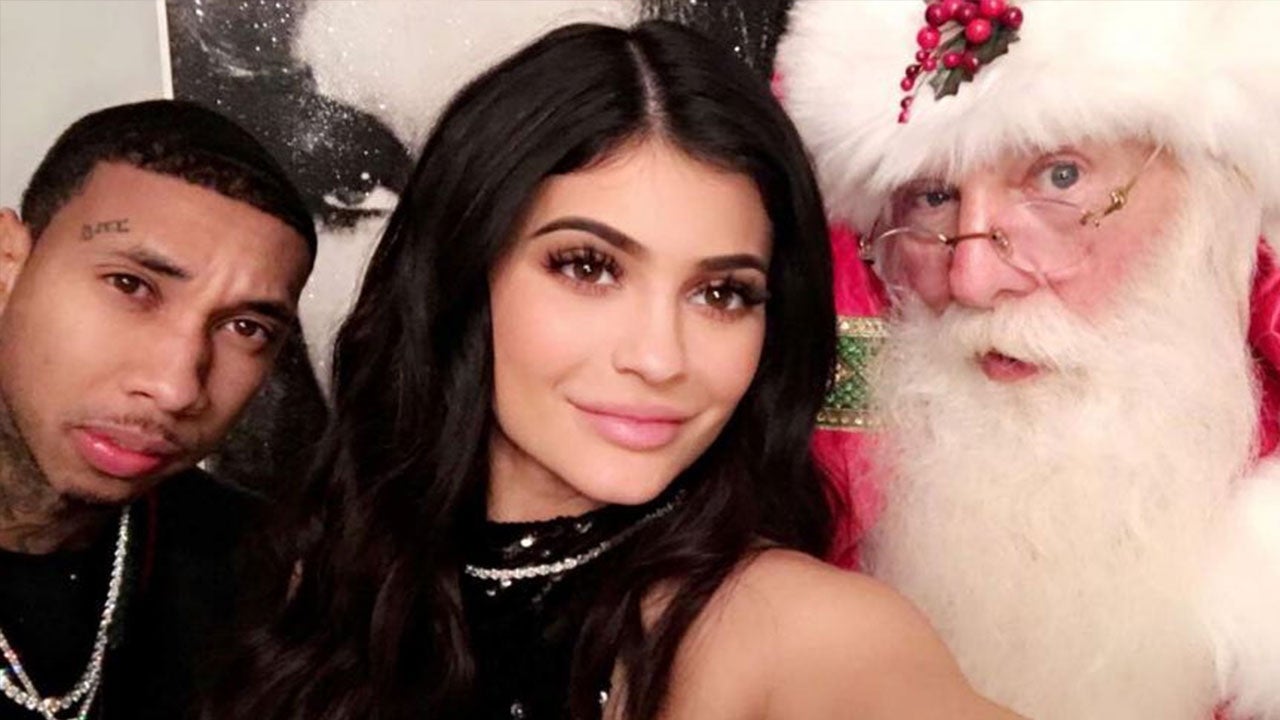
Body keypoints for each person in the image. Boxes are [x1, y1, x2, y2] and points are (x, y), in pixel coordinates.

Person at [215, 20, 1017, 720]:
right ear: (464, 272)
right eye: (588, 267)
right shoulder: (328, 582)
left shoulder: (796, 632)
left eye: (722, 293)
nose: (659, 358)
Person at [774, 2, 1280, 719]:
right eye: (933, 196)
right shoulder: (797, 533)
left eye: (1061, 177)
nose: (973, 279)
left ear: (1212, 203)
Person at [0, 100, 316, 719]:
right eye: (131, 285)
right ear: (8, 264)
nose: (176, 388)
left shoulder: (269, 577)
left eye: (246, 328)